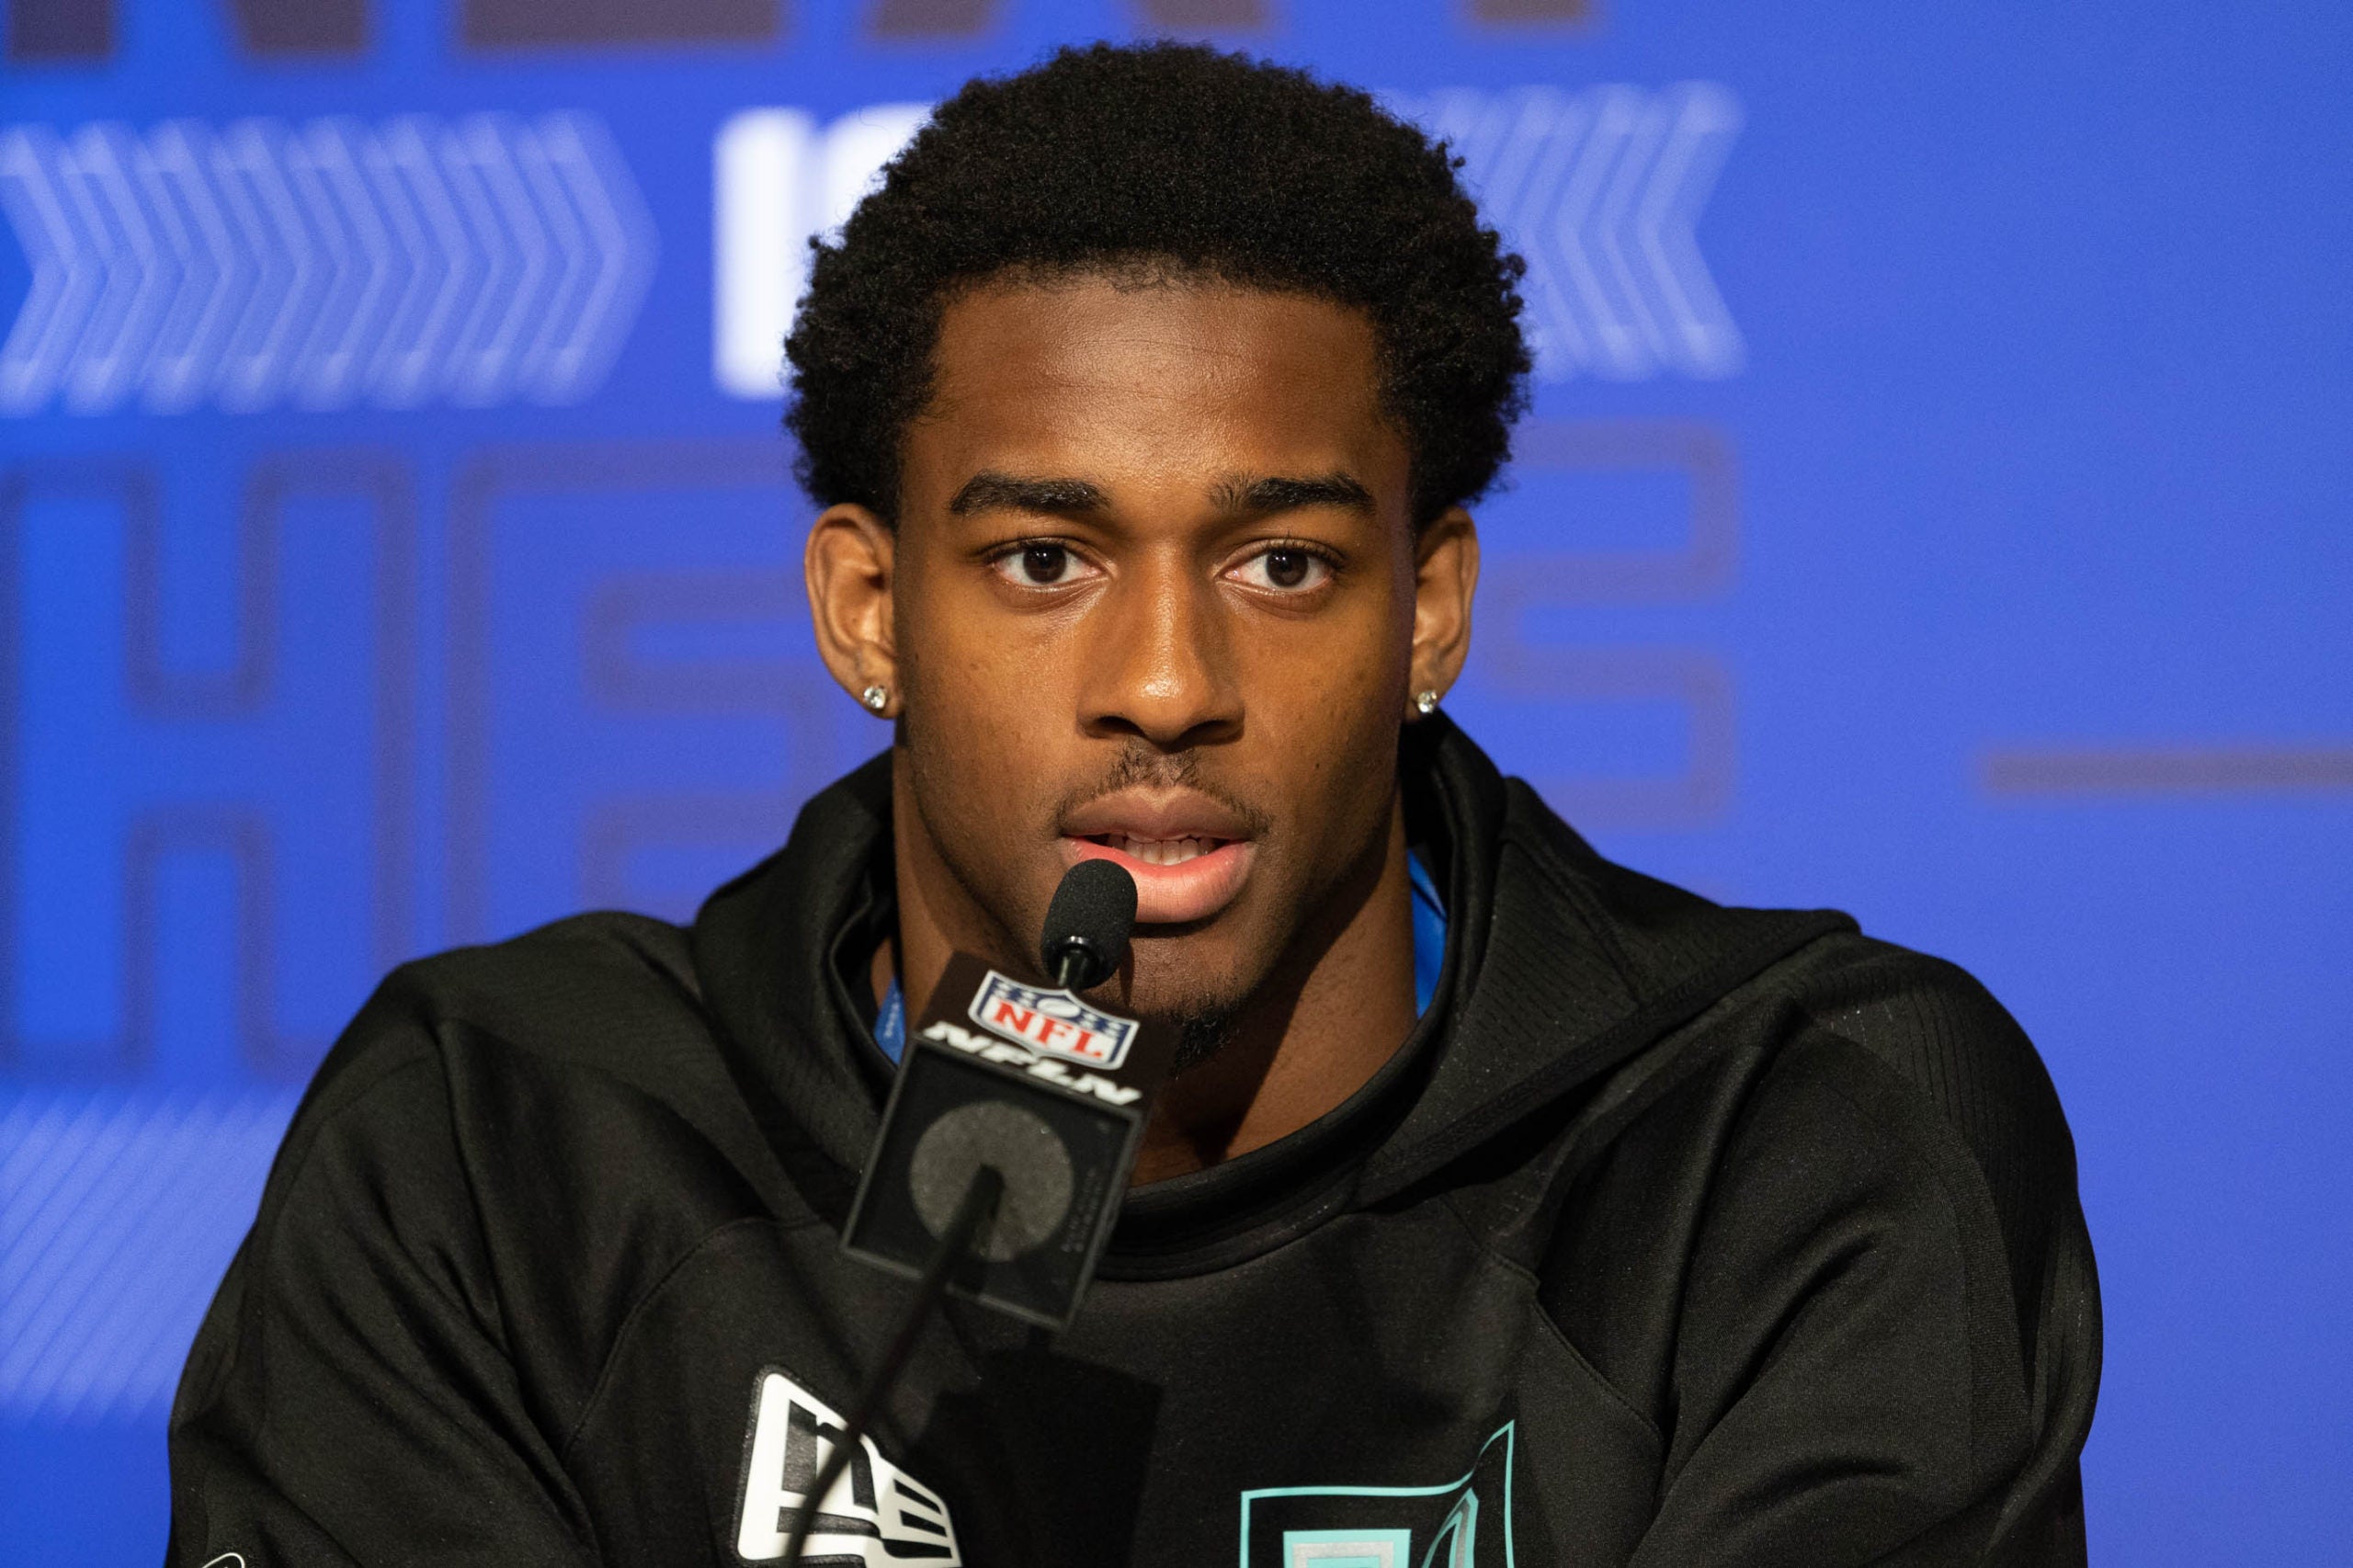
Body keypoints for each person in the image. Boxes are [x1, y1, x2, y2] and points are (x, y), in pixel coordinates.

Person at [166, 41, 2097, 1567]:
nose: (1166, 683)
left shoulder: (1788, 1137)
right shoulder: (508, 1149)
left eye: (1281, 564)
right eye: (1043, 560)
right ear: (867, 610)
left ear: (1428, 609)